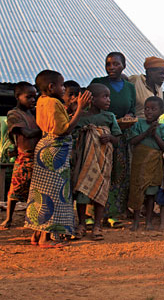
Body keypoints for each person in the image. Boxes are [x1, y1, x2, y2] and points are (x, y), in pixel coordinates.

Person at [25, 70, 91, 247]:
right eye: (62, 85)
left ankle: (36, 234)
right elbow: (64, 129)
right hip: (55, 151)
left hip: (44, 145)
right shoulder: (54, 102)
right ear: (51, 86)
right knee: (53, 194)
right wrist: (80, 109)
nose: (64, 88)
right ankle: (46, 238)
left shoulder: (41, 101)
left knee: (41, 191)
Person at [91, 52, 136, 227]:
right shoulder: (98, 83)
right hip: (99, 135)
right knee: (97, 172)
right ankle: (91, 214)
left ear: (124, 66)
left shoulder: (129, 87)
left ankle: (113, 213)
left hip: (120, 136)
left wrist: (128, 116)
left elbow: (131, 109)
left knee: (118, 173)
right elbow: (90, 106)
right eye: (108, 64)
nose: (111, 67)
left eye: (116, 64)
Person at [72, 83, 121, 241]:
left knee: (101, 190)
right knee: (82, 191)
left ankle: (97, 225)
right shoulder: (81, 117)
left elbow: (117, 139)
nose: (108, 100)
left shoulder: (109, 117)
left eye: (109, 96)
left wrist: (110, 138)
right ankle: (81, 223)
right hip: (85, 162)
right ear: (91, 99)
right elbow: (72, 135)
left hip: (103, 161)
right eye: (104, 96)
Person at [1, 82, 41, 229]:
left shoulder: (34, 113)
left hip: (38, 156)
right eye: (28, 97)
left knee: (37, 190)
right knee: (15, 189)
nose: (33, 100)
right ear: (18, 97)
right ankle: (8, 218)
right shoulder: (14, 114)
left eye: (34, 97)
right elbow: (27, 133)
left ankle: (34, 218)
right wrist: (46, 130)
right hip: (24, 157)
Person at [128, 96, 164, 231]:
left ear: (161, 111)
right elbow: (133, 141)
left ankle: (148, 221)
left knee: (151, 194)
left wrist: (155, 135)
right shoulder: (138, 124)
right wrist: (146, 132)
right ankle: (135, 221)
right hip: (139, 163)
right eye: (146, 108)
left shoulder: (163, 128)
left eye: (153, 109)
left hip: (154, 164)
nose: (149, 112)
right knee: (137, 191)